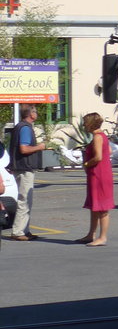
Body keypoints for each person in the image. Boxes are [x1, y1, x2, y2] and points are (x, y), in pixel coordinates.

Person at [7, 103, 46, 241]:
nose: (36, 114)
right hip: (24, 168)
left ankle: (25, 230)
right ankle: (18, 231)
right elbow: (24, 149)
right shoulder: (25, 128)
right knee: (25, 200)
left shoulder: (20, 127)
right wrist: (39, 147)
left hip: (20, 167)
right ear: (31, 114)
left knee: (26, 201)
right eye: (35, 111)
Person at [78, 112, 114, 246]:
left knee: (102, 207)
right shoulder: (101, 136)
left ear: (90, 124)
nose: (83, 126)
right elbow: (108, 151)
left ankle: (102, 237)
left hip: (99, 175)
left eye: (85, 123)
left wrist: (86, 163)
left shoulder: (98, 137)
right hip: (98, 174)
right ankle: (91, 234)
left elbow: (98, 157)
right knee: (95, 206)